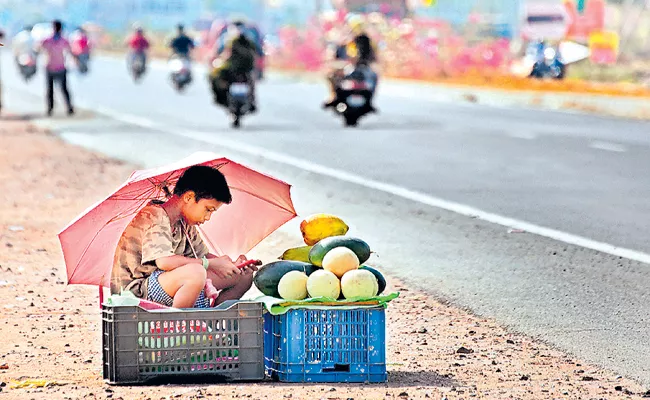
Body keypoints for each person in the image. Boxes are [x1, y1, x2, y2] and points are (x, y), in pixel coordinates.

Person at [110, 166, 256, 308]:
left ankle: (210, 322)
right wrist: (211, 264)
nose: (208, 217)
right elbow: (165, 262)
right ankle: (180, 327)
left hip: (169, 282)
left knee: (242, 277)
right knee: (196, 273)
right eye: (208, 210)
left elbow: (202, 255)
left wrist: (232, 265)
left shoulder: (184, 223)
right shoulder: (153, 216)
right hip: (138, 291)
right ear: (189, 197)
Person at [209, 25, 258, 111]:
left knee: (214, 77)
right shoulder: (231, 41)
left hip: (238, 69)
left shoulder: (231, 40)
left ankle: (251, 101)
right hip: (238, 69)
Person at [39, 20, 74, 116]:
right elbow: (39, 47)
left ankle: (68, 107)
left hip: (58, 67)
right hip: (52, 67)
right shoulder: (50, 40)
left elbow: (70, 51)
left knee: (61, 89)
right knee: (52, 89)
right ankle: (51, 108)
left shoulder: (60, 40)